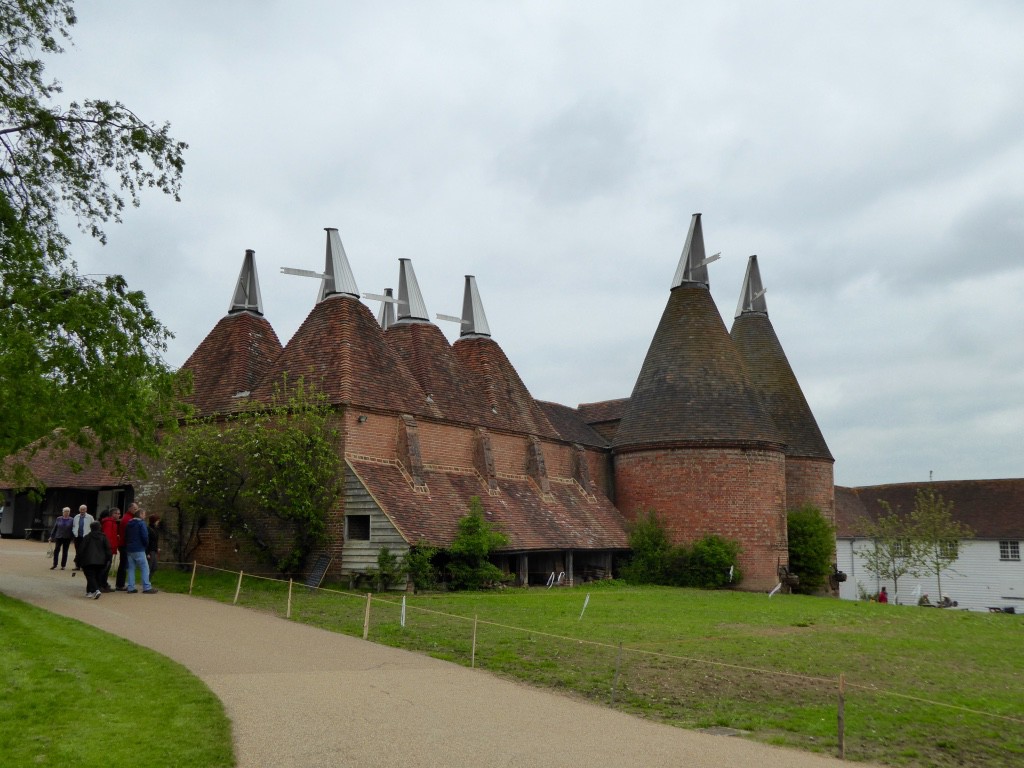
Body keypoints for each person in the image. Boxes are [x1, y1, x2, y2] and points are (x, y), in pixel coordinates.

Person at [123, 508, 158, 594]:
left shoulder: (129, 523)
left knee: (131, 568)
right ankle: (146, 587)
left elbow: (126, 536)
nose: (145, 516)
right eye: (144, 514)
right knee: (145, 568)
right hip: (139, 548)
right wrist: (145, 546)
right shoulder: (141, 523)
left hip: (130, 548)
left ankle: (131, 587)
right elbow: (145, 536)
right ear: (141, 515)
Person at [76, 521, 111, 599]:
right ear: (100, 528)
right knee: (95, 576)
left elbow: (81, 549)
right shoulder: (103, 537)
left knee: (90, 576)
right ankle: (89, 591)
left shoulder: (87, 537)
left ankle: (96, 590)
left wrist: (77, 560)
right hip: (101, 561)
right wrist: (108, 558)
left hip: (88, 560)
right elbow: (108, 549)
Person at [115, 504, 135, 590]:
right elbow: (128, 533)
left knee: (123, 564)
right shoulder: (128, 519)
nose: (135, 510)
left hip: (123, 543)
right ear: (129, 508)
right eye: (134, 508)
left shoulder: (127, 517)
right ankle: (120, 584)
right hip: (124, 544)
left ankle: (120, 584)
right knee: (123, 564)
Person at [99, 509, 119, 592]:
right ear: (112, 514)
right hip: (108, 549)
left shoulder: (113, 523)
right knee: (105, 567)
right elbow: (107, 537)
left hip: (110, 548)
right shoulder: (109, 523)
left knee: (107, 567)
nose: (119, 515)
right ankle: (101, 584)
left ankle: (104, 584)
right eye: (117, 513)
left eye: (119, 514)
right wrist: (108, 548)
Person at [70, 504, 95, 571]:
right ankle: (77, 566)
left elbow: (93, 527)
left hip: (86, 537)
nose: (82, 511)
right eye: (81, 509)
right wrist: (74, 532)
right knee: (78, 551)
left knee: (85, 551)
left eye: (83, 509)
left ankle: (84, 566)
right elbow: (74, 526)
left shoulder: (90, 517)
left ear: (86, 510)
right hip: (77, 537)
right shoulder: (76, 517)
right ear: (79, 510)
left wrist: (90, 534)